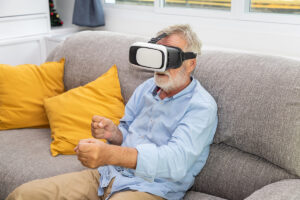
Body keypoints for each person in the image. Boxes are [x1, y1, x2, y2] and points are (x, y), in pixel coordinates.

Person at [6, 24, 218, 200]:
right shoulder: (146, 88)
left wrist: (110, 154)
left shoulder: (201, 106)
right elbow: (126, 132)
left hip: (152, 189)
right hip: (107, 175)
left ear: (190, 64)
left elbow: (175, 162)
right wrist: (113, 135)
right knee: (23, 195)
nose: (160, 66)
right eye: (157, 56)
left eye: (169, 57)